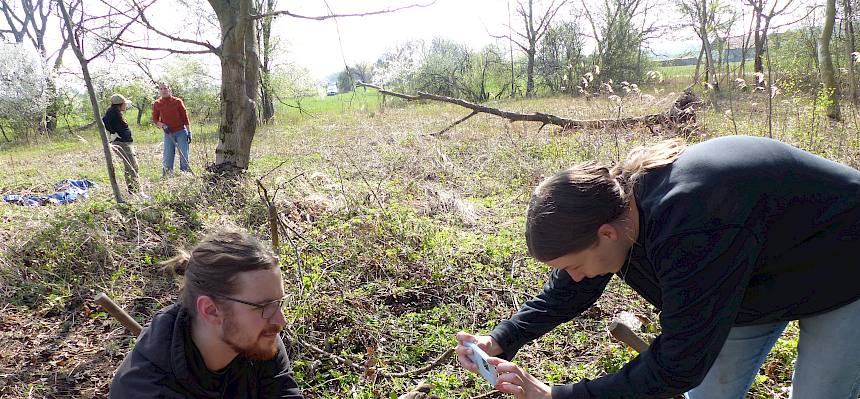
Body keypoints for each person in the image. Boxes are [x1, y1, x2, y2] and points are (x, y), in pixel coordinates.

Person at [455, 135, 860, 399]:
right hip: (751, 275)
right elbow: (571, 288)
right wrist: (501, 339)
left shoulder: (691, 227)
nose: (573, 276)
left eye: (574, 265)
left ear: (607, 234)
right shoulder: (617, 210)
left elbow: (678, 364)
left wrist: (556, 395)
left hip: (844, 266)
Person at [109, 229, 303, 398]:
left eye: (279, 303)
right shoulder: (147, 390)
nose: (280, 320)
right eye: (263, 306)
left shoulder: (257, 341)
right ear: (210, 310)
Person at [102, 94, 140, 194]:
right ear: (120, 104)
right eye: (124, 104)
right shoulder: (113, 113)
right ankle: (135, 191)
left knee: (131, 166)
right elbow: (104, 120)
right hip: (122, 143)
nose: (125, 106)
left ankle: (133, 190)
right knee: (132, 166)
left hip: (125, 142)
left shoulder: (116, 112)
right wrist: (113, 133)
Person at [152, 82, 192, 176]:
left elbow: (185, 118)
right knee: (168, 155)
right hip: (168, 133)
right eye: (161, 89)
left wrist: (189, 132)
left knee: (184, 155)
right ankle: (167, 176)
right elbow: (155, 119)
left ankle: (185, 175)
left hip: (181, 132)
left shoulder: (177, 101)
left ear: (169, 89)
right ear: (159, 91)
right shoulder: (157, 104)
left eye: (165, 88)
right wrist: (162, 125)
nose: (163, 91)